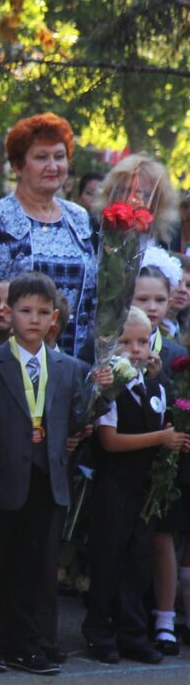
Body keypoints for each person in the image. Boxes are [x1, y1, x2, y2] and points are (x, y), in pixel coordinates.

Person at [0, 271, 88, 674]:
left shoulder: (67, 367)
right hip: (4, 476)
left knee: (38, 565)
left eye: (43, 312)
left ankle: (32, 641)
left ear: (54, 318)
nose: (34, 319)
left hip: (48, 479)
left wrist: (99, 393)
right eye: (26, 311)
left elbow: (76, 420)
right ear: (9, 312)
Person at [84, 307, 188, 664]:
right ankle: (100, 631)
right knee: (108, 559)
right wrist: (162, 438)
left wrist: (173, 439)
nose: (135, 350)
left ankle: (132, 632)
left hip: (145, 487)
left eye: (142, 342)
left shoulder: (154, 384)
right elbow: (110, 441)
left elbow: (165, 424)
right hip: (114, 485)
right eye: (125, 342)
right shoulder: (109, 389)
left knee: (138, 560)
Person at [0, 113, 96, 358]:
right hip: (14, 360)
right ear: (18, 166)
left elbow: (91, 298)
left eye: (59, 156)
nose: (53, 166)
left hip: (74, 361)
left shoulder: (78, 217)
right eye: (41, 157)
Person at [129, 248, 188, 657]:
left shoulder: (176, 353)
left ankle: (165, 618)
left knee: (164, 533)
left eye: (159, 299)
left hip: (170, 459)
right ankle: (130, 614)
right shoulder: (117, 345)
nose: (152, 307)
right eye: (142, 299)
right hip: (127, 460)